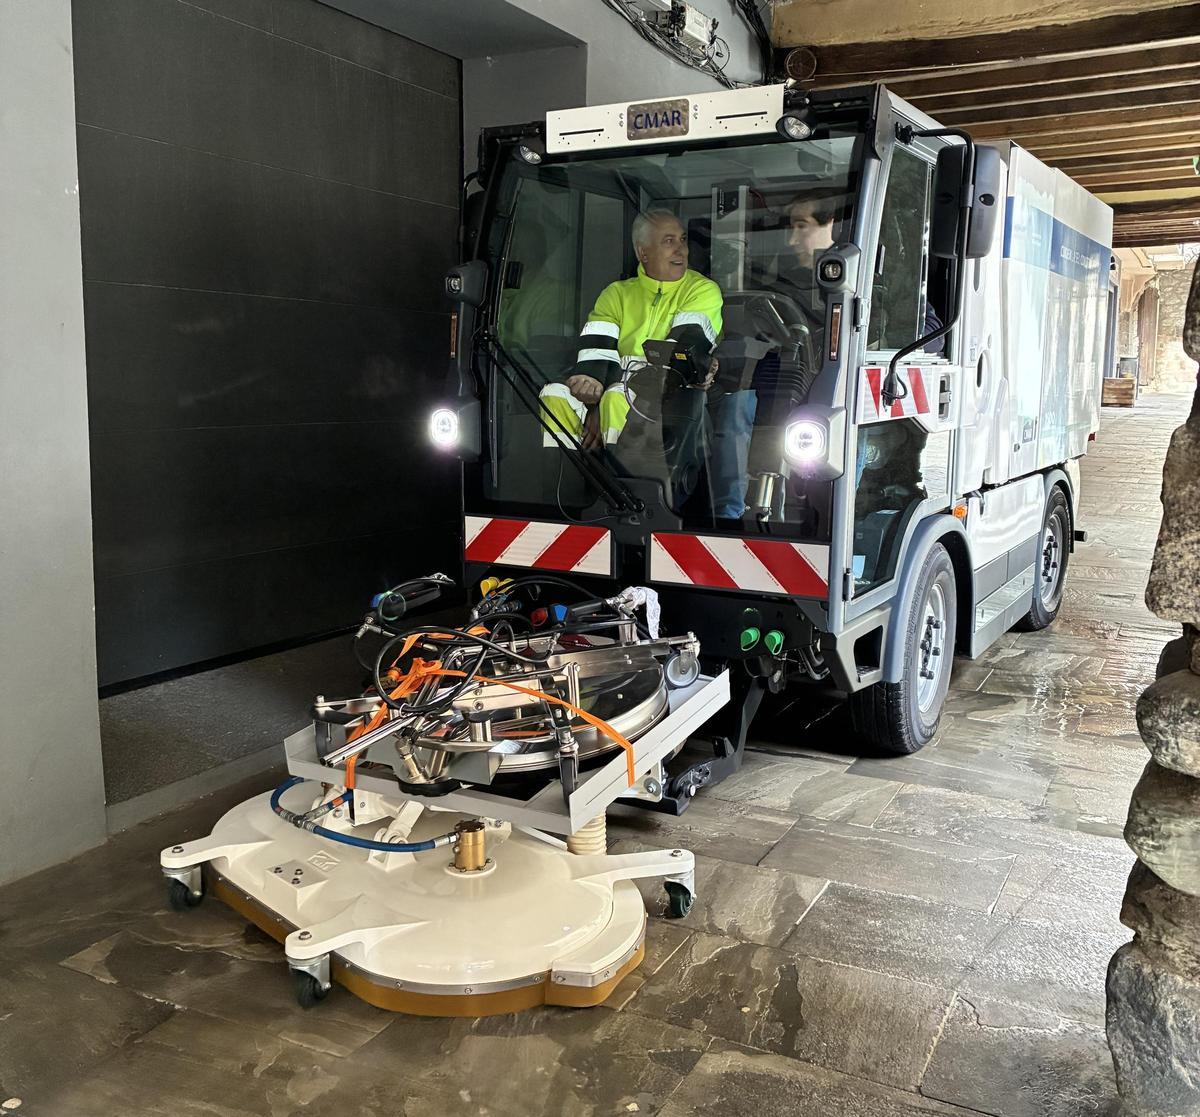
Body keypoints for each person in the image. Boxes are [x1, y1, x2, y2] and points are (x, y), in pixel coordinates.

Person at [539, 210, 723, 451]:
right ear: (642, 252)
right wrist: (592, 393)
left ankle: (622, 481)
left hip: (675, 398)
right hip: (620, 387)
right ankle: (564, 476)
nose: (682, 250)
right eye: (669, 241)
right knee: (554, 395)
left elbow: (677, 358)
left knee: (616, 397)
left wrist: (605, 399)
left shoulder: (703, 290)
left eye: (683, 239)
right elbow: (596, 354)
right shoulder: (616, 293)